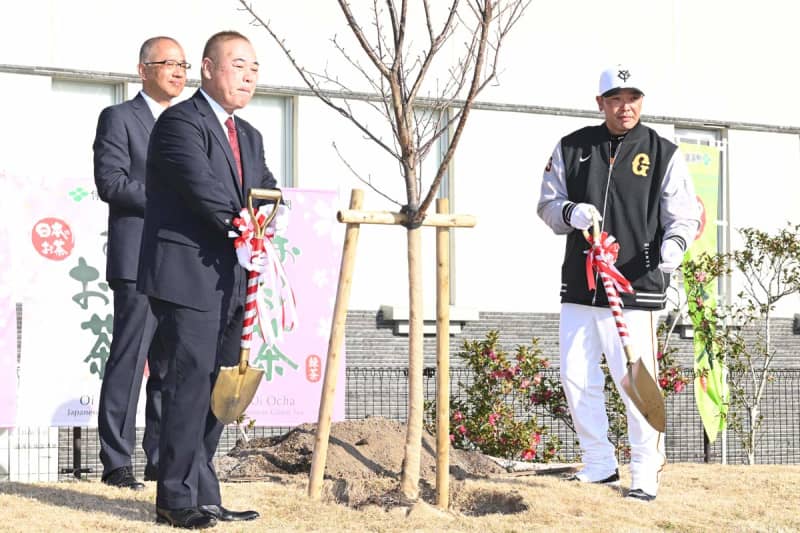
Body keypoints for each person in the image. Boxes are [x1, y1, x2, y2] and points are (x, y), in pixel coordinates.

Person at [537, 64, 700, 502]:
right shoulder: (572, 148)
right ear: (600, 103)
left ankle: (645, 472)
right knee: (575, 376)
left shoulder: (663, 152)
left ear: (641, 102)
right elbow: (548, 204)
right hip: (580, 285)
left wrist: (675, 245)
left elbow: (683, 214)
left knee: (636, 382)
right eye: (615, 98)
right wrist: (570, 213)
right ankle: (599, 463)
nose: (624, 106)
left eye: (632, 98)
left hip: (635, 288)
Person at [138, 30, 276, 529]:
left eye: (255, 68)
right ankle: (174, 499)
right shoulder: (180, 123)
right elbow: (205, 189)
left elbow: (266, 191)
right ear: (208, 68)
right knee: (187, 384)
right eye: (238, 64)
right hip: (187, 277)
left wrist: (264, 224)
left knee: (220, 388)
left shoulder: (251, 135)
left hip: (233, 278)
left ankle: (204, 492)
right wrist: (243, 226)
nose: (248, 75)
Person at [93, 35, 188, 490]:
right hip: (137, 261)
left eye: (183, 65)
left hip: (183, 265)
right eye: (168, 63)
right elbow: (111, 182)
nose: (178, 71)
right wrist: (168, 200)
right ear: (143, 69)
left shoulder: (192, 123)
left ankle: (159, 459)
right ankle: (116, 461)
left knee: (171, 367)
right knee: (130, 361)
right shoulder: (119, 118)